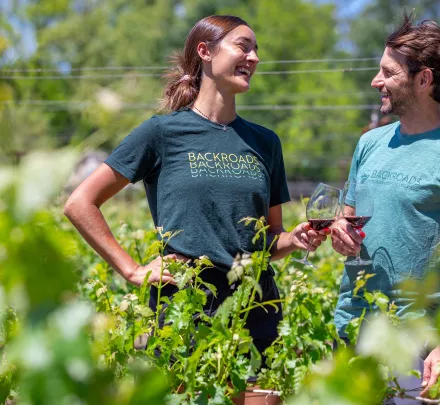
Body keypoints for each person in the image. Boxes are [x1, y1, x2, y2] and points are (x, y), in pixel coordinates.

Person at [64, 15, 326, 405]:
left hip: (256, 304)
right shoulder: (162, 133)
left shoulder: (265, 142)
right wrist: (132, 270)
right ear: (205, 52)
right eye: (243, 46)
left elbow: (269, 239)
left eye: (256, 50)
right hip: (185, 306)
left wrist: (296, 239)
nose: (253, 57)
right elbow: (79, 202)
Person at [330, 13, 440, 402]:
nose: (376, 82)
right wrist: (339, 231)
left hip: (421, 346)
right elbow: (347, 217)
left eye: (388, 73)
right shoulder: (370, 143)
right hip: (355, 328)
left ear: (424, 80)